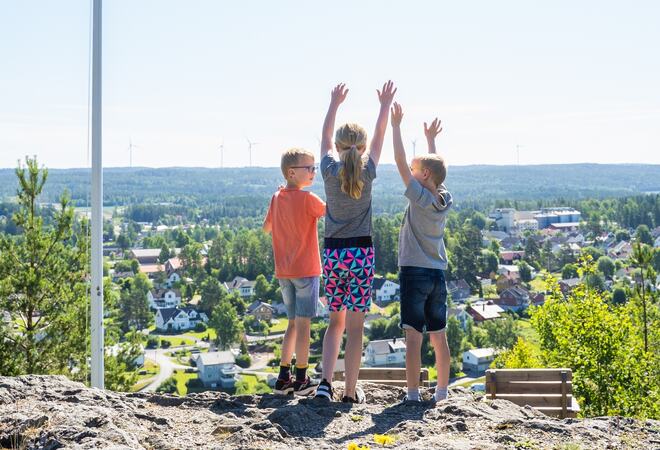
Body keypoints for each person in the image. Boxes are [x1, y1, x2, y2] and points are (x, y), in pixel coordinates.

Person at [314, 81, 396, 403]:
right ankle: (349, 392)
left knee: (335, 323)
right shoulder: (368, 171)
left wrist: (333, 103)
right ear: (362, 149)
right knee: (356, 328)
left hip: (333, 254)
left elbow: (323, 138)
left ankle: (324, 384)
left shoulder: (328, 171)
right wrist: (385, 106)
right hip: (362, 253)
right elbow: (379, 138)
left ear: (337, 146)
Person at [390, 102, 452, 403]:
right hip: (437, 273)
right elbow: (436, 172)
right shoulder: (442, 197)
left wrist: (396, 126)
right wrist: (430, 141)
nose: (410, 173)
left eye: (417, 171)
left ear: (423, 174)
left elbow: (401, 162)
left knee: (413, 336)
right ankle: (442, 392)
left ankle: (413, 394)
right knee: (438, 335)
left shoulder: (418, 198)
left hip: (414, 271)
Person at [263, 147, 326, 395]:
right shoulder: (309, 199)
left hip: (284, 272)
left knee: (291, 324)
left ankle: (283, 377)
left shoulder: (276, 197)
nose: (313, 172)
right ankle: (301, 379)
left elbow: (266, 228)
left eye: (314, 168)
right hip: (307, 271)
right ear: (292, 172)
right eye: (309, 168)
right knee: (304, 325)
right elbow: (331, 212)